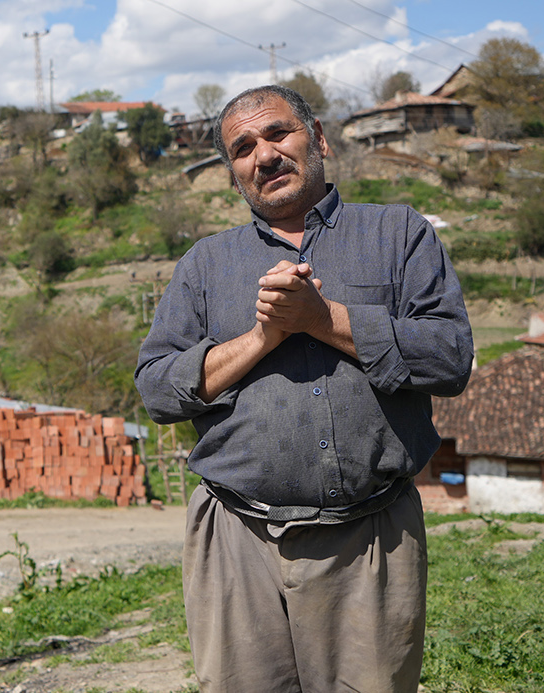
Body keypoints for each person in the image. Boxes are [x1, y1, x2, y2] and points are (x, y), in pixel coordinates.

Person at [135, 85, 472, 692]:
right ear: (233, 172)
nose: (263, 155)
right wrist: (263, 338)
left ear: (317, 139)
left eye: (277, 135)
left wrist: (325, 320)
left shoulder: (397, 235)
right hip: (237, 539)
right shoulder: (205, 265)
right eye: (242, 148)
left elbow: (449, 358)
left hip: (369, 538)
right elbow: (158, 389)